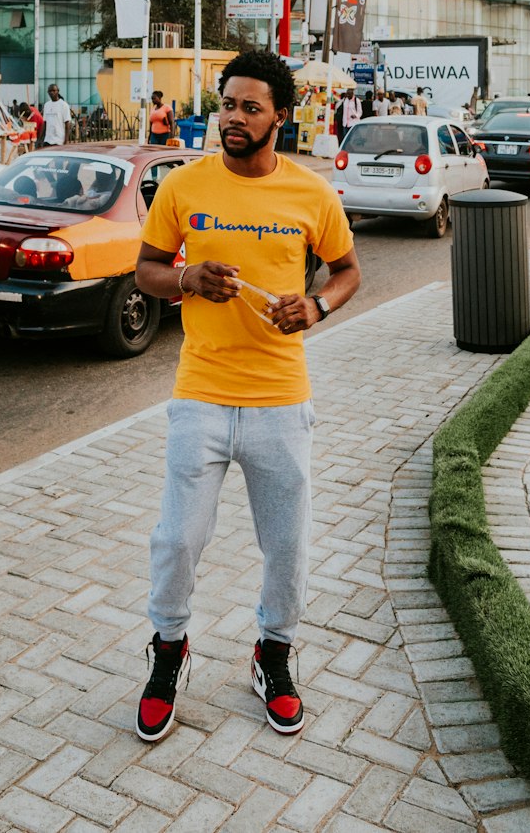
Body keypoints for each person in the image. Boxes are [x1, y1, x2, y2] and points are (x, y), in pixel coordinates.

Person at [134, 50, 360, 743]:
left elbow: (348, 271)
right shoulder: (184, 186)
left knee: (287, 546)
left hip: (280, 398)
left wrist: (316, 308)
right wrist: (188, 279)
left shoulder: (311, 194)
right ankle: (169, 650)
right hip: (200, 392)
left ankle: (275, 654)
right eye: (228, 104)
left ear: (280, 118)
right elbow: (145, 271)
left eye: (250, 108)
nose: (234, 118)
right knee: (177, 539)